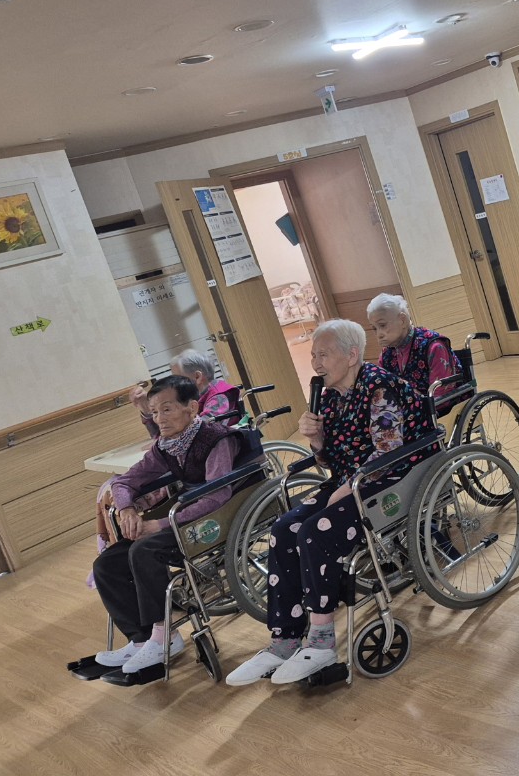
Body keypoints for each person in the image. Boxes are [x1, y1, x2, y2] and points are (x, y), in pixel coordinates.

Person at [226, 319, 438, 687]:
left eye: (323, 354)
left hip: (392, 478)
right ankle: (285, 640)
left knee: (315, 533)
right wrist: (318, 440)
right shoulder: (329, 397)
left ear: (352, 355)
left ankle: (322, 640)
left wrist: (349, 486)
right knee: (283, 529)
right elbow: (330, 461)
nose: (316, 363)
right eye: (313, 355)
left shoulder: (380, 388)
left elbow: (388, 453)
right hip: (349, 481)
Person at [86, 375, 251, 678]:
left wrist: (159, 524)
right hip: (183, 513)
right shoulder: (167, 446)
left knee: (143, 551)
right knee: (106, 564)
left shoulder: (216, 439)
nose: (159, 419)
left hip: (214, 517)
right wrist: (126, 509)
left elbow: (217, 496)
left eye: (167, 409)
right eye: (154, 412)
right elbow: (124, 481)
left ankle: (163, 637)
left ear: (191, 407)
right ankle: (141, 639)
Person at [366, 293, 463, 404]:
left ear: (402, 320)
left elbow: (441, 397)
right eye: (374, 328)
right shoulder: (386, 354)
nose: (379, 334)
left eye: (382, 325)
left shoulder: (433, 347)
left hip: (440, 408)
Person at [130, 349, 241, 434]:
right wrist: (148, 408)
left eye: (179, 378)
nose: (175, 383)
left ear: (197, 377)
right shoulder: (192, 396)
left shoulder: (219, 397)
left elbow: (196, 433)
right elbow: (164, 432)